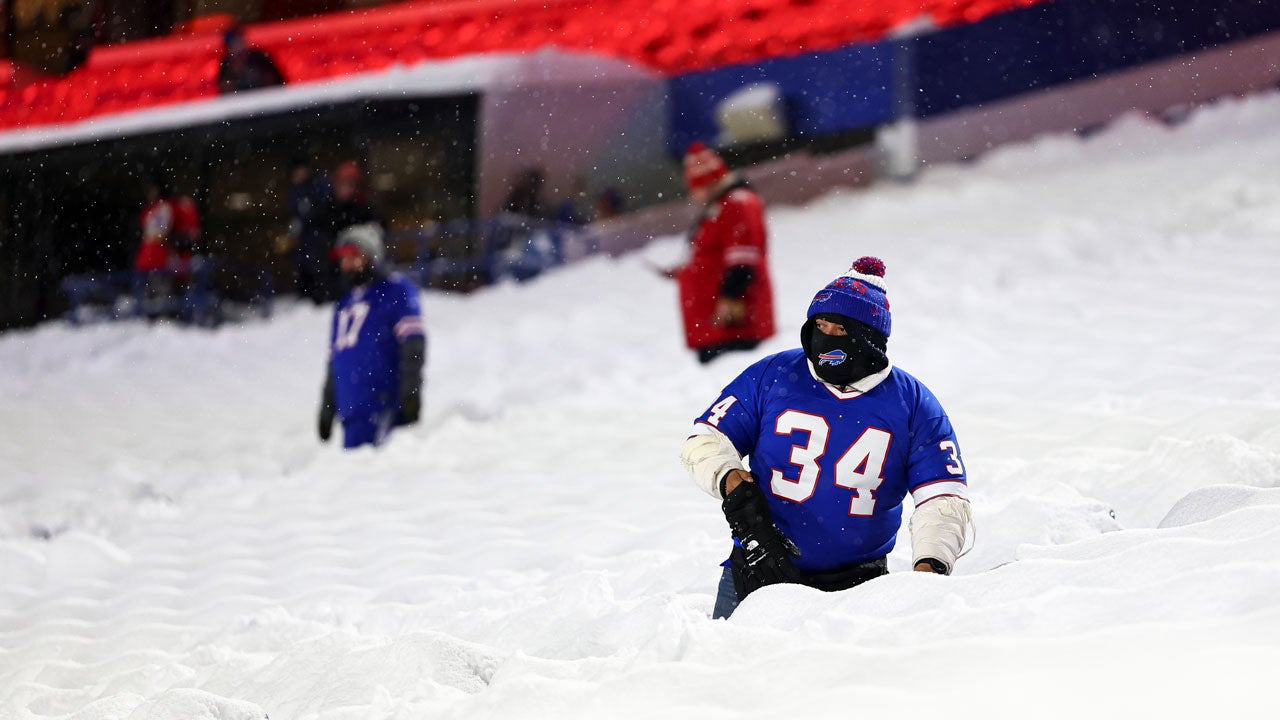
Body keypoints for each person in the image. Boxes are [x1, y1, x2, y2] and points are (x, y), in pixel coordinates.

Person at [679, 257, 973, 619]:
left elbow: (943, 497)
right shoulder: (773, 374)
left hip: (860, 586)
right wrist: (730, 482)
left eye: (839, 329)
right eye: (820, 324)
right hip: (756, 565)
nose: (825, 337)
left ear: (869, 338)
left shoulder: (914, 404)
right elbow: (706, 438)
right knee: (720, 671)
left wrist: (929, 569)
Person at [318, 223, 426, 450]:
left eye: (354, 256)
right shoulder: (343, 305)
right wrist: (328, 407)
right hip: (352, 412)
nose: (347, 263)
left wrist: (410, 392)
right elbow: (335, 360)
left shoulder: (395, 291)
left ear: (371, 256)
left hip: (384, 406)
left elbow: (413, 343)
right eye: (343, 258)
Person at [673, 141, 775, 364]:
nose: (692, 195)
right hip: (716, 325)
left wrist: (729, 299)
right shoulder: (721, 205)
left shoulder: (737, 204)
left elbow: (743, 261)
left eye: (694, 187)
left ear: (707, 182)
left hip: (733, 325)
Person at [307, 160, 380, 304]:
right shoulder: (326, 211)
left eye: (349, 184)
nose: (344, 188)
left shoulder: (364, 210)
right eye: (341, 183)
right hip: (332, 274)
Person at [217, 25, 285, 94]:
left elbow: (278, 82)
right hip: (242, 102)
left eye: (241, 41)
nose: (240, 46)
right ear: (229, 49)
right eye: (236, 44)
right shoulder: (226, 66)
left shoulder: (259, 58)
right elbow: (226, 93)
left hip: (267, 97)